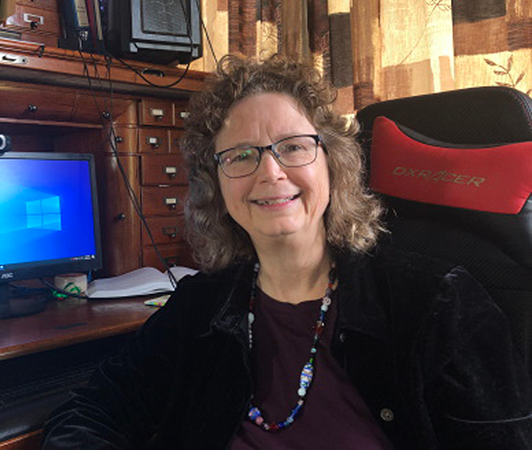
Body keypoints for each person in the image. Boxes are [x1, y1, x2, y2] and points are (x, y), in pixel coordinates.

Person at [43, 55, 532, 449]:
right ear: (216, 186)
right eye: (241, 155)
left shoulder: (439, 303)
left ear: (333, 163)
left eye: (294, 147)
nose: (270, 172)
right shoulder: (202, 305)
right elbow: (91, 411)